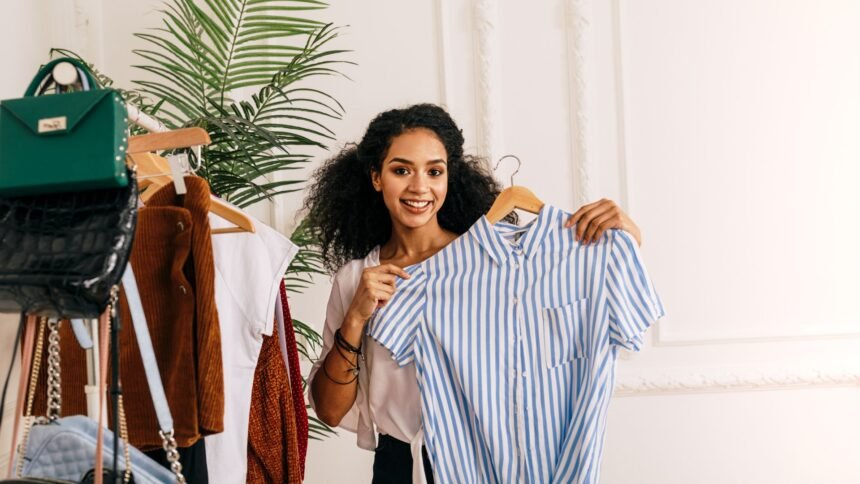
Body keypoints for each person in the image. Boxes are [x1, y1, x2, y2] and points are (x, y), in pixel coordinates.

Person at [305, 103, 643, 483]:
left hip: (488, 462)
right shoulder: (357, 278)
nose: (420, 187)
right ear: (376, 177)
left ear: (451, 176)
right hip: (401, 466)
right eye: (402, 170)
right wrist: (355, 318)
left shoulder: (495, 264)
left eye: (434, 171)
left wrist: (623, 241)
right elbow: (330, 413)